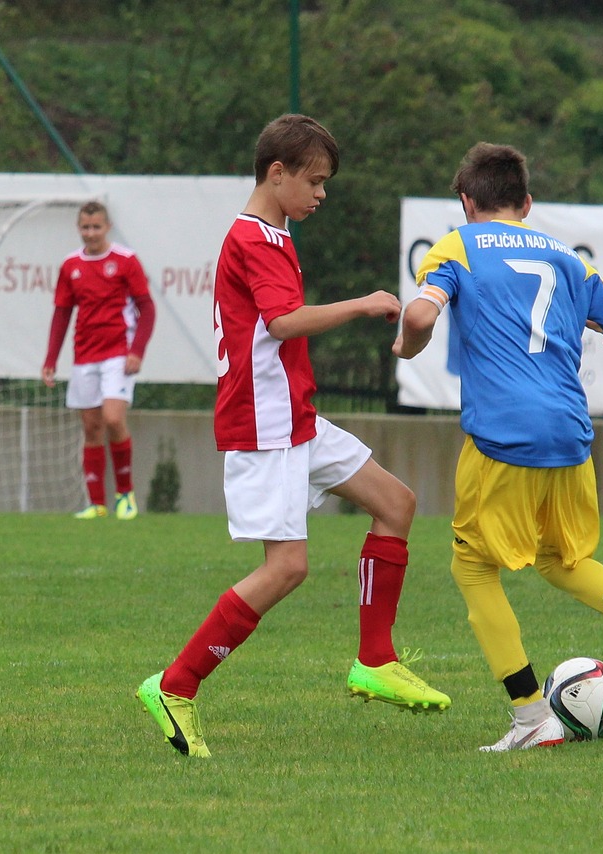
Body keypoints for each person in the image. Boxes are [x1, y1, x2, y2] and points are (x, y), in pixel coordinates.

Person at [135, 114, 449, 759]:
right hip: (265, 422)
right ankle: (175, 685)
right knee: (287, 567)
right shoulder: (254, 237)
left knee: (396, 504)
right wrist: (362, 304)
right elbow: (281, 324)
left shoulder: (273, 232)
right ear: (276, 173)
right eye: (314, 181)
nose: (321, 194)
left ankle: (375, 659)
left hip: (294, 416)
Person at [393, 141, 603, 751]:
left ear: (466, 201)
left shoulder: (459, 243)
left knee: (474, 566)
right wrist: (602, 329)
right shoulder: (566, 258)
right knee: (563, 559)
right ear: (526, 204)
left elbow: (423, 317)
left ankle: (532, 717)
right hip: (571, 431)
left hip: (504, 434)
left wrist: (405, 344)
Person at [41, 201, 155, 520]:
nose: (90, 233)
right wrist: (51, 358)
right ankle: (97, 504)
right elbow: (62, 313)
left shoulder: (125, 261)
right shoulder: (70, 265)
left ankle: (125, 494)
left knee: (114, 419)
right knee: (91, 428)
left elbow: (147, 309)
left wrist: (137, 351)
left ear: (108, 227)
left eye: (96, 227)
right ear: (79, 228)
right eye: (85, 227)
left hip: (118, 353)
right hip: (84, 355)